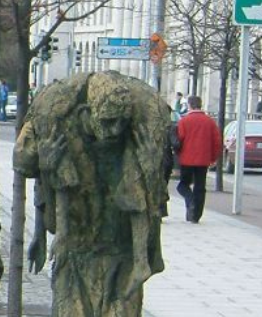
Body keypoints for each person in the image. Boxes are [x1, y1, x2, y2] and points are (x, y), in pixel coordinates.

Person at [16, 72, 167, 317]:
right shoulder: (63, 135)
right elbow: (43, 180)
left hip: (120, 252)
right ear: (85, 113)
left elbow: (146, 203)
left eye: (121, 122)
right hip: (76, 250)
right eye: (108, 121)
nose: (115, 130)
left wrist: (151, 171)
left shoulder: (131, 145)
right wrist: (40, 235)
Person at [176, 95, 219, 223]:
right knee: (200, 187)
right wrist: (213, 158)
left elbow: (179, 139)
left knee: (183, 185)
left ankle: (190, 202)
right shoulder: (209, 121)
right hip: (203, 159)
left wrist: (178, 154)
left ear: (189, 105)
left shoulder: (184, 121)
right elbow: (216, 141)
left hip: (186, 159)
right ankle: (196, 216)